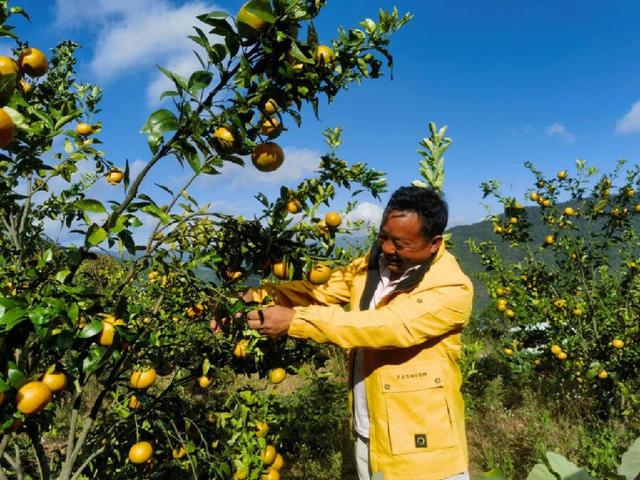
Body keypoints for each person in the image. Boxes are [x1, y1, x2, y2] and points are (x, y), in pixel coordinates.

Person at [223, 186, 473, 480]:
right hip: (370, 432)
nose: (388, 249)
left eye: (400, 243)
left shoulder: (451, 288)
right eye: (383, 237)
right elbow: (319, 291)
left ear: (433, 244)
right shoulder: (371, 265)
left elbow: (385, 326)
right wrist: (256, 296)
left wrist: (295, 321)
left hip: (424, 446)